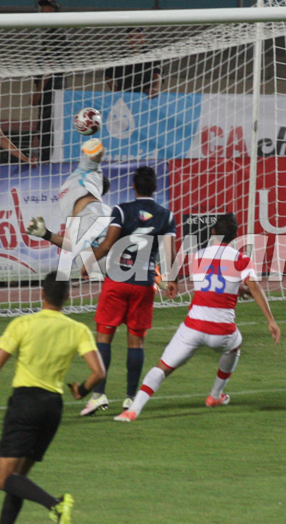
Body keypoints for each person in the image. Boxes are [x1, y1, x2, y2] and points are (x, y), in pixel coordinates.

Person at [114, 213, 281, 422]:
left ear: (213, 232)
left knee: (162, 367)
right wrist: (271, 321)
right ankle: (215, 395)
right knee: (235, 345)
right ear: (235, 235)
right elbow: (252, 287)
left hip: (193, 328)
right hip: (222, 332)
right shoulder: (242, 259)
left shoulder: (199, 256)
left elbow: (212, 282)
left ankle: (133, 410)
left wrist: (238, 289)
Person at [0, 271, 105, 524]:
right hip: (52, 409)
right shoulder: (78, 329)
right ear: (67, 297)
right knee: (18, 478)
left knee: (3, 479)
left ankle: (55, 504)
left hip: (25, 404)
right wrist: (81, 390)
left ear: (42, 293)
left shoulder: (22, 324)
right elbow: (99, 372)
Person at [79, 166, 178, 416]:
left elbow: (107, 244)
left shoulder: (122, 210)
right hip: (143, 283)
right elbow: (170, 252)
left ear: (133, 186)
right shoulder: (166, 216)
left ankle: (99, 395)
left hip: (117, 280)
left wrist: (89, 262)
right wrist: (173, 279)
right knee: (136, 341)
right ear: (155, 188)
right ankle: (130, 398)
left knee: (104, 337)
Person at [26, 138, 112, 275]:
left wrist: (95, 148)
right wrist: (46, 234)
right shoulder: (76, 215)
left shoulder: (86, 178)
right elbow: (73, 244)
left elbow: (94, 159)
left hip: (98, 219)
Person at [31, 0, 65, 162]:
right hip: (52, 87)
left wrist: (38, 92)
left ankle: (46, 161)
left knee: (47, 125)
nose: (43, 11)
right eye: (43, 8)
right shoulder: (49, 34)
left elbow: (49, 67)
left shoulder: (55, 35)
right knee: (48, 124)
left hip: (51, 88)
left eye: (47, 8)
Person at [104, 28, 163, 99]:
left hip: (146, 96)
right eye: (131, 37)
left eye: (138, 37)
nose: (134, 40)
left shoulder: (151, 55)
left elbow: (157, 74)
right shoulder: (122, 56)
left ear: (143, 38)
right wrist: (116, 92)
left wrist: (155, 88)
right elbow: (108, 75)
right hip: (126, 96)